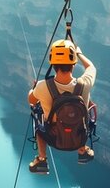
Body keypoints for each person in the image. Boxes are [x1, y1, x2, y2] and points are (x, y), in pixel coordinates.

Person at [27, 39, 96, 173]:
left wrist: (34, 89)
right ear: (74, 64)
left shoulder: (42, 86)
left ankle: (42, 160)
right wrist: (79, 53)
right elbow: (91, 67)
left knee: (37, 115)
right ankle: (82, 151)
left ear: (52, 64)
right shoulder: (85, 83)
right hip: (79, 138)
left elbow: (31, 100)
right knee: (82, 112)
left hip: (54, 138)